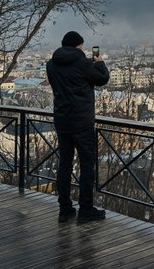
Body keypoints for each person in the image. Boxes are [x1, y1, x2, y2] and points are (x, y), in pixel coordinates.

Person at [45, 31, 110, 224]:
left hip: (62, 121)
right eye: (82, 45)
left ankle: (65, 209)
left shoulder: (51, 64)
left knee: (64, 164)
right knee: (86, 165)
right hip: (82, 122)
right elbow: (102, 79)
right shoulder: (83, 63)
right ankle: (85, 209)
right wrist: (99, 62)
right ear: (78, 46)